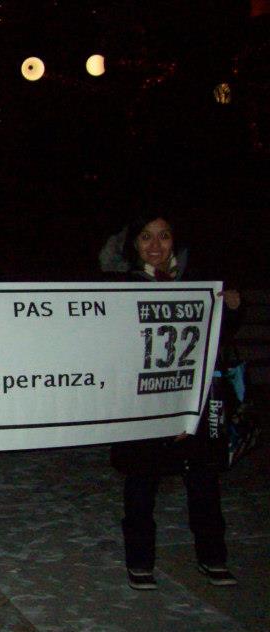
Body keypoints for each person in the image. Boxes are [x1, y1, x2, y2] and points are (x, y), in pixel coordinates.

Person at [105, 213, 241, 591]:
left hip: (190, 405)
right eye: (146, 236)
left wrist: (230, 307)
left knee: (203, 485)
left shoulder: (197, 284)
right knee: (140, 488)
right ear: (133, 244)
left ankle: (213, 558)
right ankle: (140, 563)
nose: (155, 245)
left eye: (164, 236)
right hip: (143, 406)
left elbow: (216, 337)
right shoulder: (119, 288)